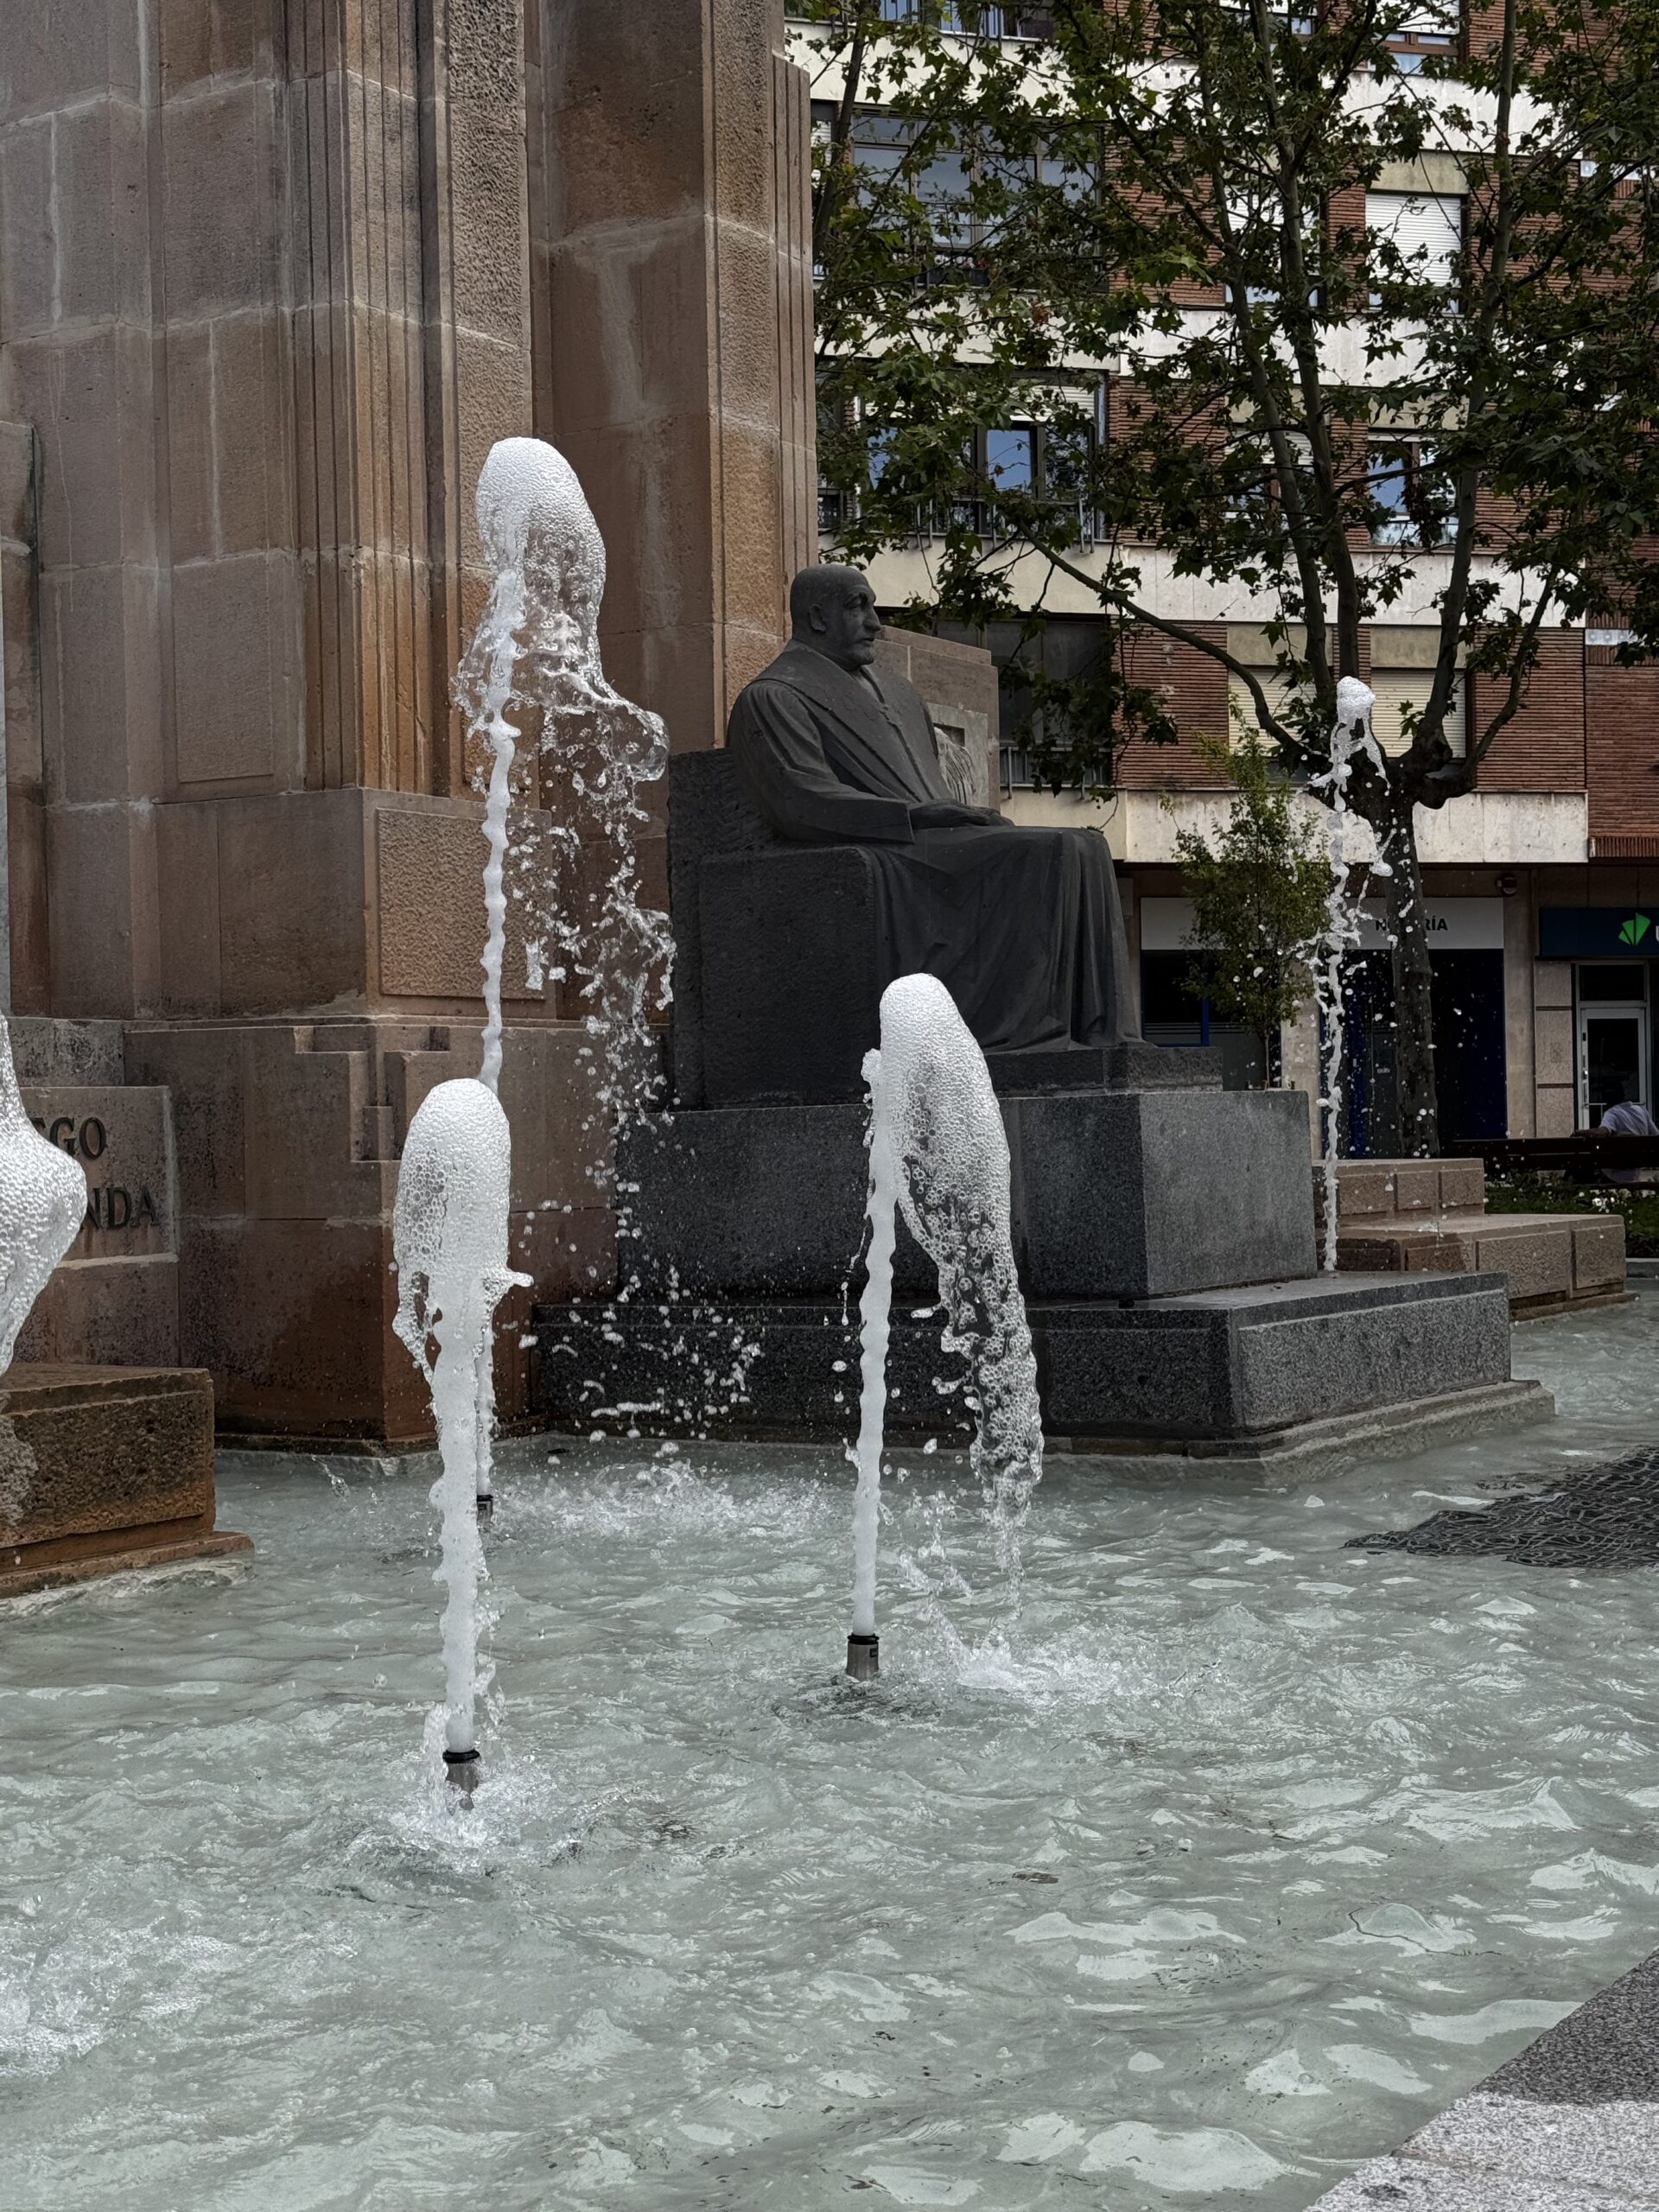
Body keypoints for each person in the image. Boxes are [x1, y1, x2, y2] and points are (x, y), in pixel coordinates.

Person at [725, 563, 1139, 1054]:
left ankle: (1102, 1035)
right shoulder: (774, 697)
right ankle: (1026, 1035)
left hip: (937, 837)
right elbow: (801, 801)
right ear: (817, 618)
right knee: (1052, 851)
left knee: (1088, 844)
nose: (875, 623)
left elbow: (932, 786)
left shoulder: (899, 693)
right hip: (891, 849)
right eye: (858, 607)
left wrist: (956, 816)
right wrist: (913, 816)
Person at [1598, 1077, 1659, 1186]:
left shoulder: (1611, 1114)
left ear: (1605, 1098)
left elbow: (1603, 1132)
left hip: (1615, 1173)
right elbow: (1656, 1136)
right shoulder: (1641, 1111)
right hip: (1636, 1170)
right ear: (1623, 1094)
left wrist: (1580, 1132)